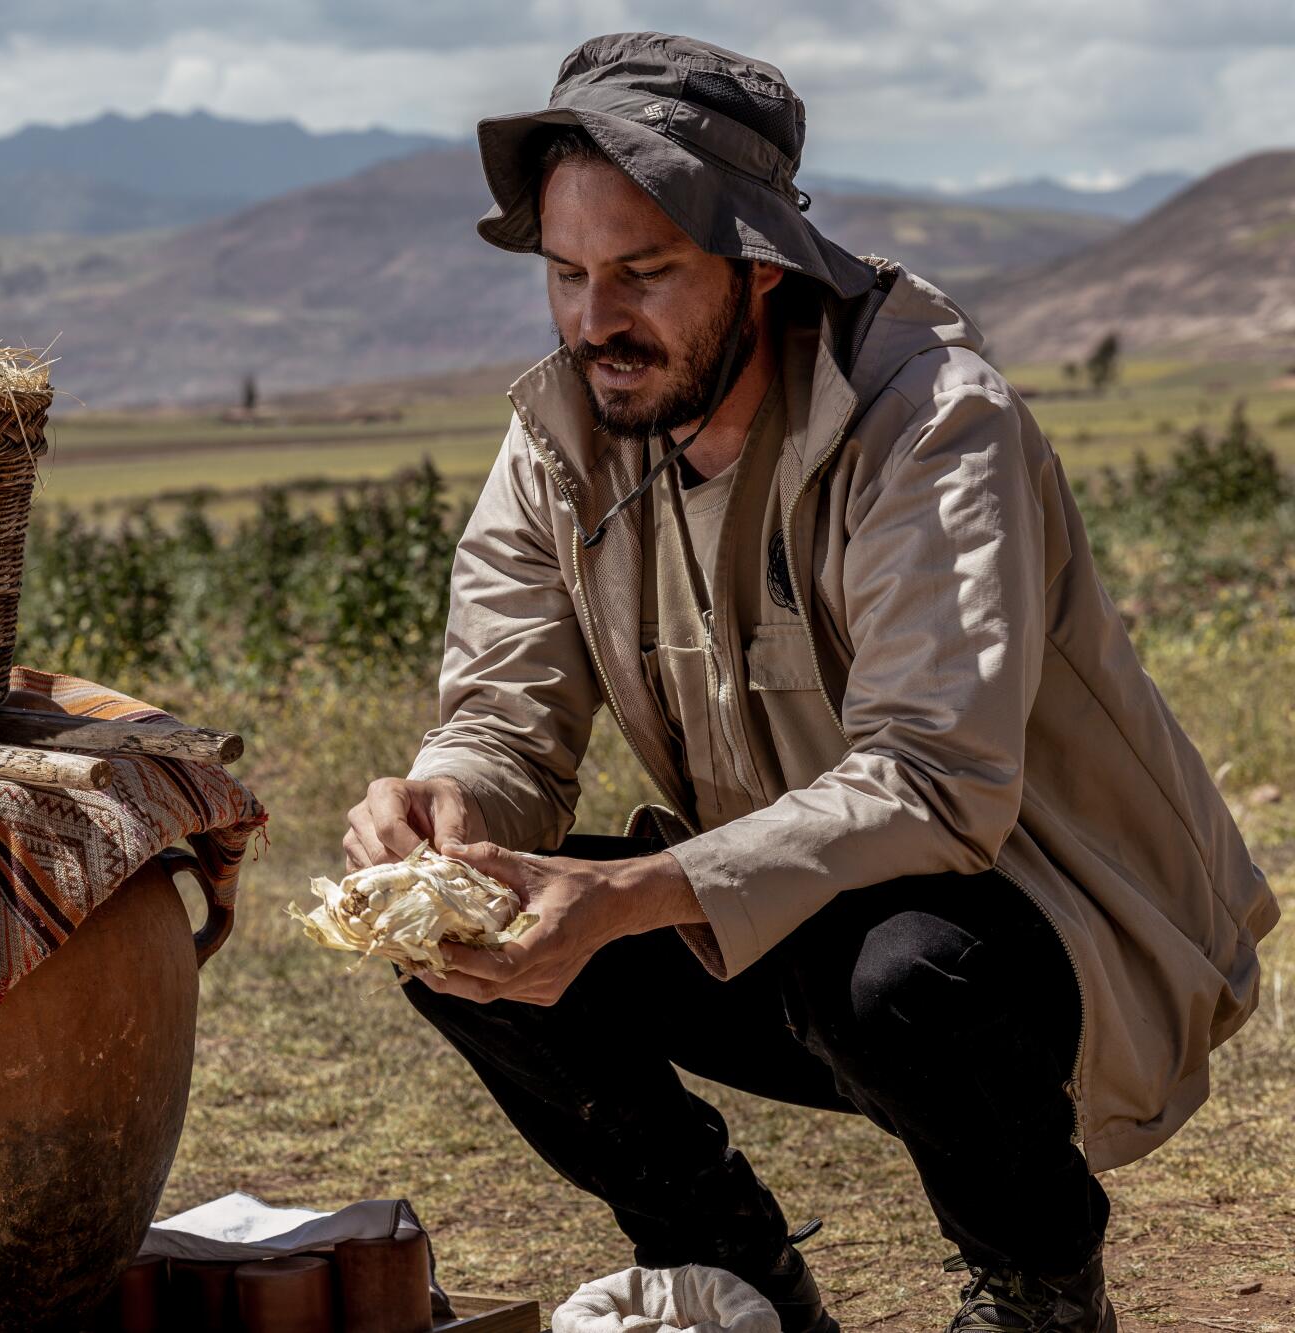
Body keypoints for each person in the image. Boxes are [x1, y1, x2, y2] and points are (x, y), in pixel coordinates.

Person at [343, 33, 1278, 1333]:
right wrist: (444, 810)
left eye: (644, 273)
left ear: (762, 262)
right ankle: (730, 1265)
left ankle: (1039, 1282)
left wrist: (621, 896)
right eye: (567, 275)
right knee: (452, 931)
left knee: (897, 975)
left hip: (1031, 948)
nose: (594, 319)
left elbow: (937, 783)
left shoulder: (932, 420)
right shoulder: (563, 438)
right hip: (780, 929)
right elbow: (508, 710)